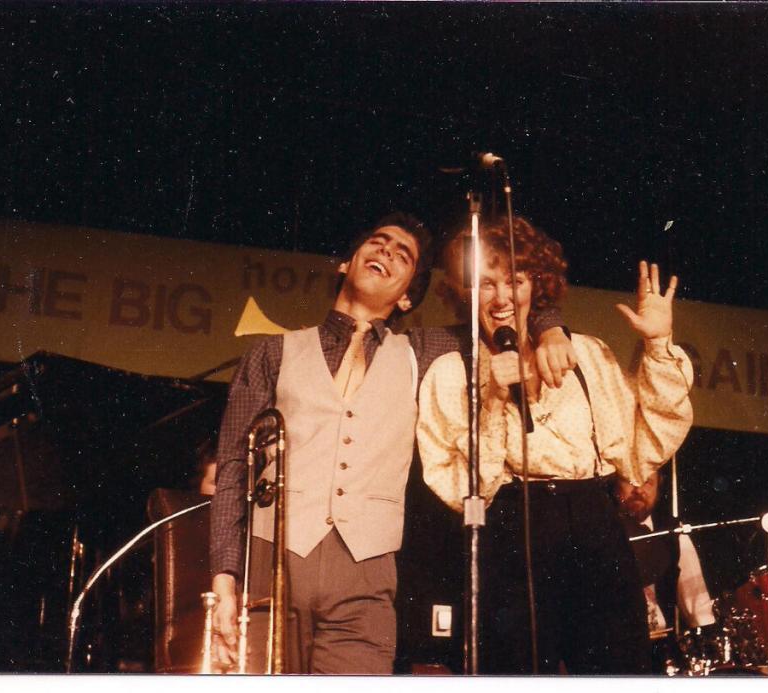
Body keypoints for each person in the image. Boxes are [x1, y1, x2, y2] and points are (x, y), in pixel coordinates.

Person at [208, 212, 575, 674]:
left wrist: (549, 324)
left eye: (402, 255)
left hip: (366, 574)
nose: (386, 252)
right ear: (345, 264)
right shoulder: (271, 352)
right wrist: (225, 581)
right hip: (270, 560)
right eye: (378, 243)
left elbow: (500, 309)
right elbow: (232, 472)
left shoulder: (422, 353)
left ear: (406, 297)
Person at [417, 217, 695, 674]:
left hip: (593, 523)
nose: (503, 297)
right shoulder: (450, 372)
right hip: (507, 528)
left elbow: (646, 442)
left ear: (536, 286)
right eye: (486, 284)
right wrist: (492, 398)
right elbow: (461, 488)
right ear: (464, 294)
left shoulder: (587, 353)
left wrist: (658, 342)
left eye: (515, 280)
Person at [614, 470, 716, 674]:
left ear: (660, 485)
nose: (639, 490)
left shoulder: (673, 532)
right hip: (614, 656)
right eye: (631, 481)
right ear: (615, 484)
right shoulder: (599, 532)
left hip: (662, 658)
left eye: (648, 482)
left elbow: (698, 608)